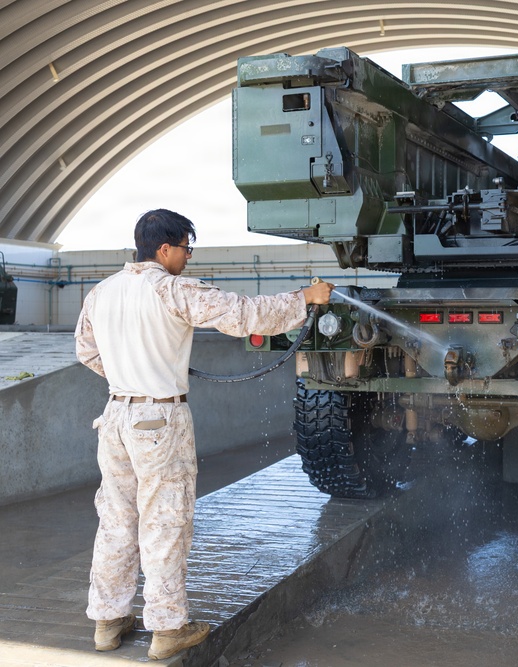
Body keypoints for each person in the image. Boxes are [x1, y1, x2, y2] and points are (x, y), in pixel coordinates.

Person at [74, 209, 334, 660]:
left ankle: (108, 620)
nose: (188, 258)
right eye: (186, 249)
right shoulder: (173, 289)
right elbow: (245, 314)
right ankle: (169, 627)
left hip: (115, 417)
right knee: (165, 521)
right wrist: (305, 298)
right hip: (159, 421)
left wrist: (130, 375)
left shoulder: (102, 292)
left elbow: (86, 351)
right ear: (165, 249)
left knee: (116, 521)